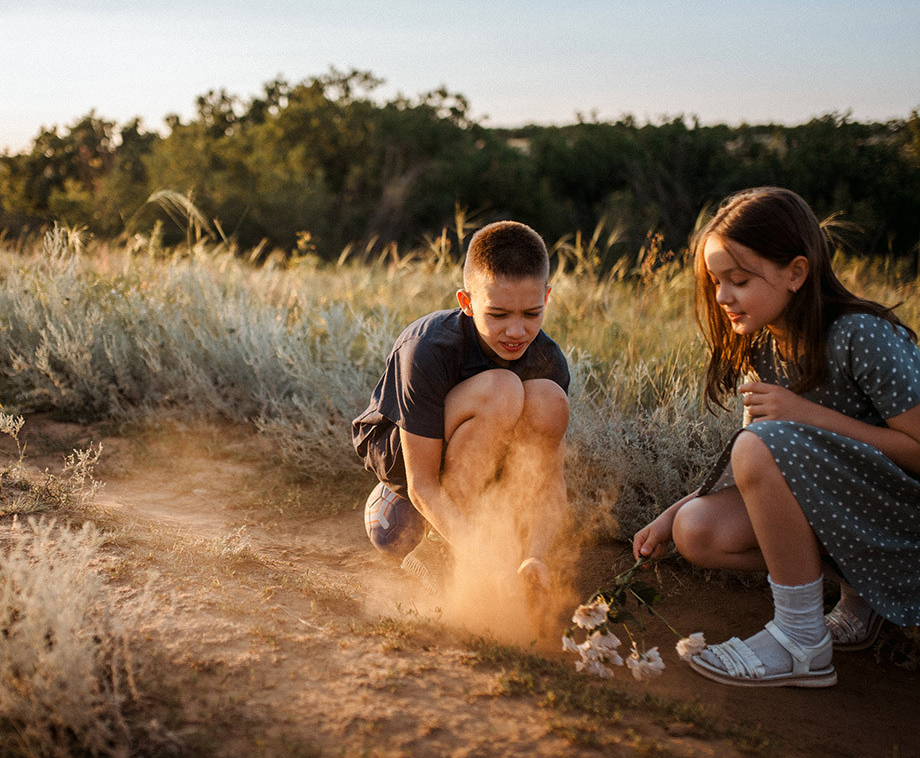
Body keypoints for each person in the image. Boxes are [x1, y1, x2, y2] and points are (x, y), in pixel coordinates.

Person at [633, 187, 920, 688]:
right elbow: (756, 469)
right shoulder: (762, 347)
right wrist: (670, 513)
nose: (722, 297)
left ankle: (800, 639)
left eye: (738, 280)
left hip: (905, 525)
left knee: (761, 441)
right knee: (696, 529)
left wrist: (805, 414)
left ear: (796, 273)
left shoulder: (860, 335)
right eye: (716, 282)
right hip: (857, 513)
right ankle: (861, 596)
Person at [352, 220, 571, 595]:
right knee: (503, 390)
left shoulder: (548, 359)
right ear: (467, 302)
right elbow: (423, 485)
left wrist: (535, 554)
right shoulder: (427, 348)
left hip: (484, 447)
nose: (516, 331)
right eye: (498, 315)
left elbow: (550, 480)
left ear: (546, 299)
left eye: (531, 314)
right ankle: (436, 548)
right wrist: (479, 556)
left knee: (549, 399)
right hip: (406, 453)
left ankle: (485, 524)